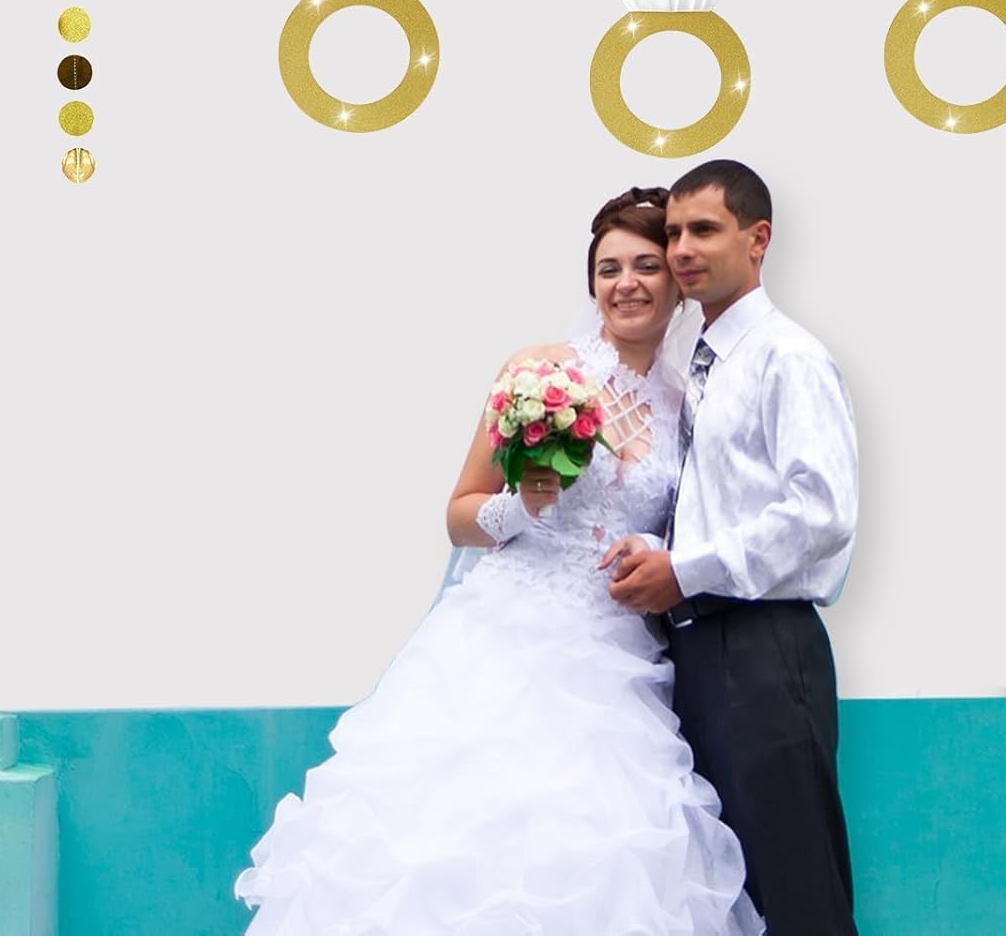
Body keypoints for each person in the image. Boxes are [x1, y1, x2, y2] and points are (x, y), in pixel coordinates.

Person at [234, 186, 764, 935]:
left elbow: (693, 525)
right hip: (507, 634)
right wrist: (522, 506)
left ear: (676, 283)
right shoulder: (540, 372)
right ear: (591, 284)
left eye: (647, 266)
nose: (627, 284)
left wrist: (655, 549)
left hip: (616, 654)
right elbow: (459, 514)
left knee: (604, 844)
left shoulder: (688, 405)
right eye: (609, 269)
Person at [604, 160, 860, 935]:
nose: (683, 248)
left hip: (761, 648)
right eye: (675, 232)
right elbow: (724, 499)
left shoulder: (786, 357)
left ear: (758, 239)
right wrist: (656, 550)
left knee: (796, 887)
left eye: (705, 230)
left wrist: (684, 571)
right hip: (699, 649)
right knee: (731, 895)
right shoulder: (708, 364)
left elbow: (821, 511)